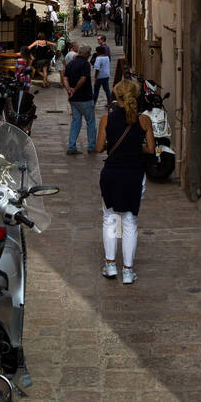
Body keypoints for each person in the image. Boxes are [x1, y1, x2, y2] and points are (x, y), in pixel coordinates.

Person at [96, 79, 155, 283]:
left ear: (116, 96)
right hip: (134, 174)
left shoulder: (106, 118)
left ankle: (111, 266)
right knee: (130, 221)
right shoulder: (144, 121)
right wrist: (134, 148)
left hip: (112, 173)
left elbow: (99, 147)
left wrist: (115, 146)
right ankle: (128, 271)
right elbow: (150, 149)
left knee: (110, 218)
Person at [63, 44, 96, 154]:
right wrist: (75, 89)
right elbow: (83, 79)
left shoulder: (70, 64)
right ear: (86, 54)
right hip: (85, 97)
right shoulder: (85, 64)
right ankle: (91, 146)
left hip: (73, 99)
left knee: (76, 122)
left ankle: (71, 147)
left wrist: (69, 90)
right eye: (89, 54)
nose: (90, 55)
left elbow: (65, 78)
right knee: (90, 122)